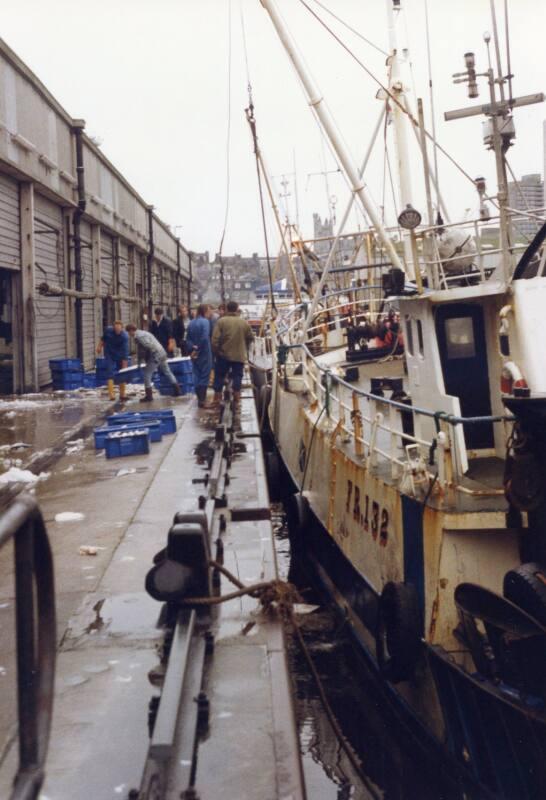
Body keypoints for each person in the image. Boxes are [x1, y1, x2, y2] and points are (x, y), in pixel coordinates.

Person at [211, 300, 254, 404]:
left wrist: (217, 352)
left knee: (219, 376)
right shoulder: (243, 322)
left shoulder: (221, 321)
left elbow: (214, 340)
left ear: (226, 309)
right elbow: (250, 338)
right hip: (239, 355)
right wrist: (244, 347)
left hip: (223, 355)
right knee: (237, 376)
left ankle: (217, 397)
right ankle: (237, 397)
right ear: (237, 309)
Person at [125, 323, 180, 402]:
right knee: (167, 371)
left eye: (128, 332)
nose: (129, 334)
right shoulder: (143, 333)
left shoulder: (139, 337)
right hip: (162, 352)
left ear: (131, 331)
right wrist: (140, 362)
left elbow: (148, 346)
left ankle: (149, 396)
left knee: (147, 374)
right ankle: (177, 390)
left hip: (156, 355)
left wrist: (148, 358)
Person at [186, 304, 213, 408]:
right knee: (205, 375)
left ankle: (199, 400)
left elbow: (187, 338)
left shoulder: (191, 322)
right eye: (209, 310)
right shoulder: (205, 322)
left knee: (196, 374)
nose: (210, 313)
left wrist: (193, 348)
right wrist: (198, 349)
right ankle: (202, 400)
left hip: (194, 353)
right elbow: (205, 337)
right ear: (205, 311)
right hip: (204, 352)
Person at [96, 320, 129, 402]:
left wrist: (124, 365)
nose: (117, 330)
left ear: (122, 328)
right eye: (116, 328)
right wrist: (99, 347)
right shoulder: (108, 330)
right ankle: (111, 395)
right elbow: (103, 339)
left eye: (119, 329)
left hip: (120, 355)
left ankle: (122, 393)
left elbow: (125, 352)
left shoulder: (124, 337)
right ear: (113, 328)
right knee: (110, 372)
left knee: (121, 373)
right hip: (109, 353)